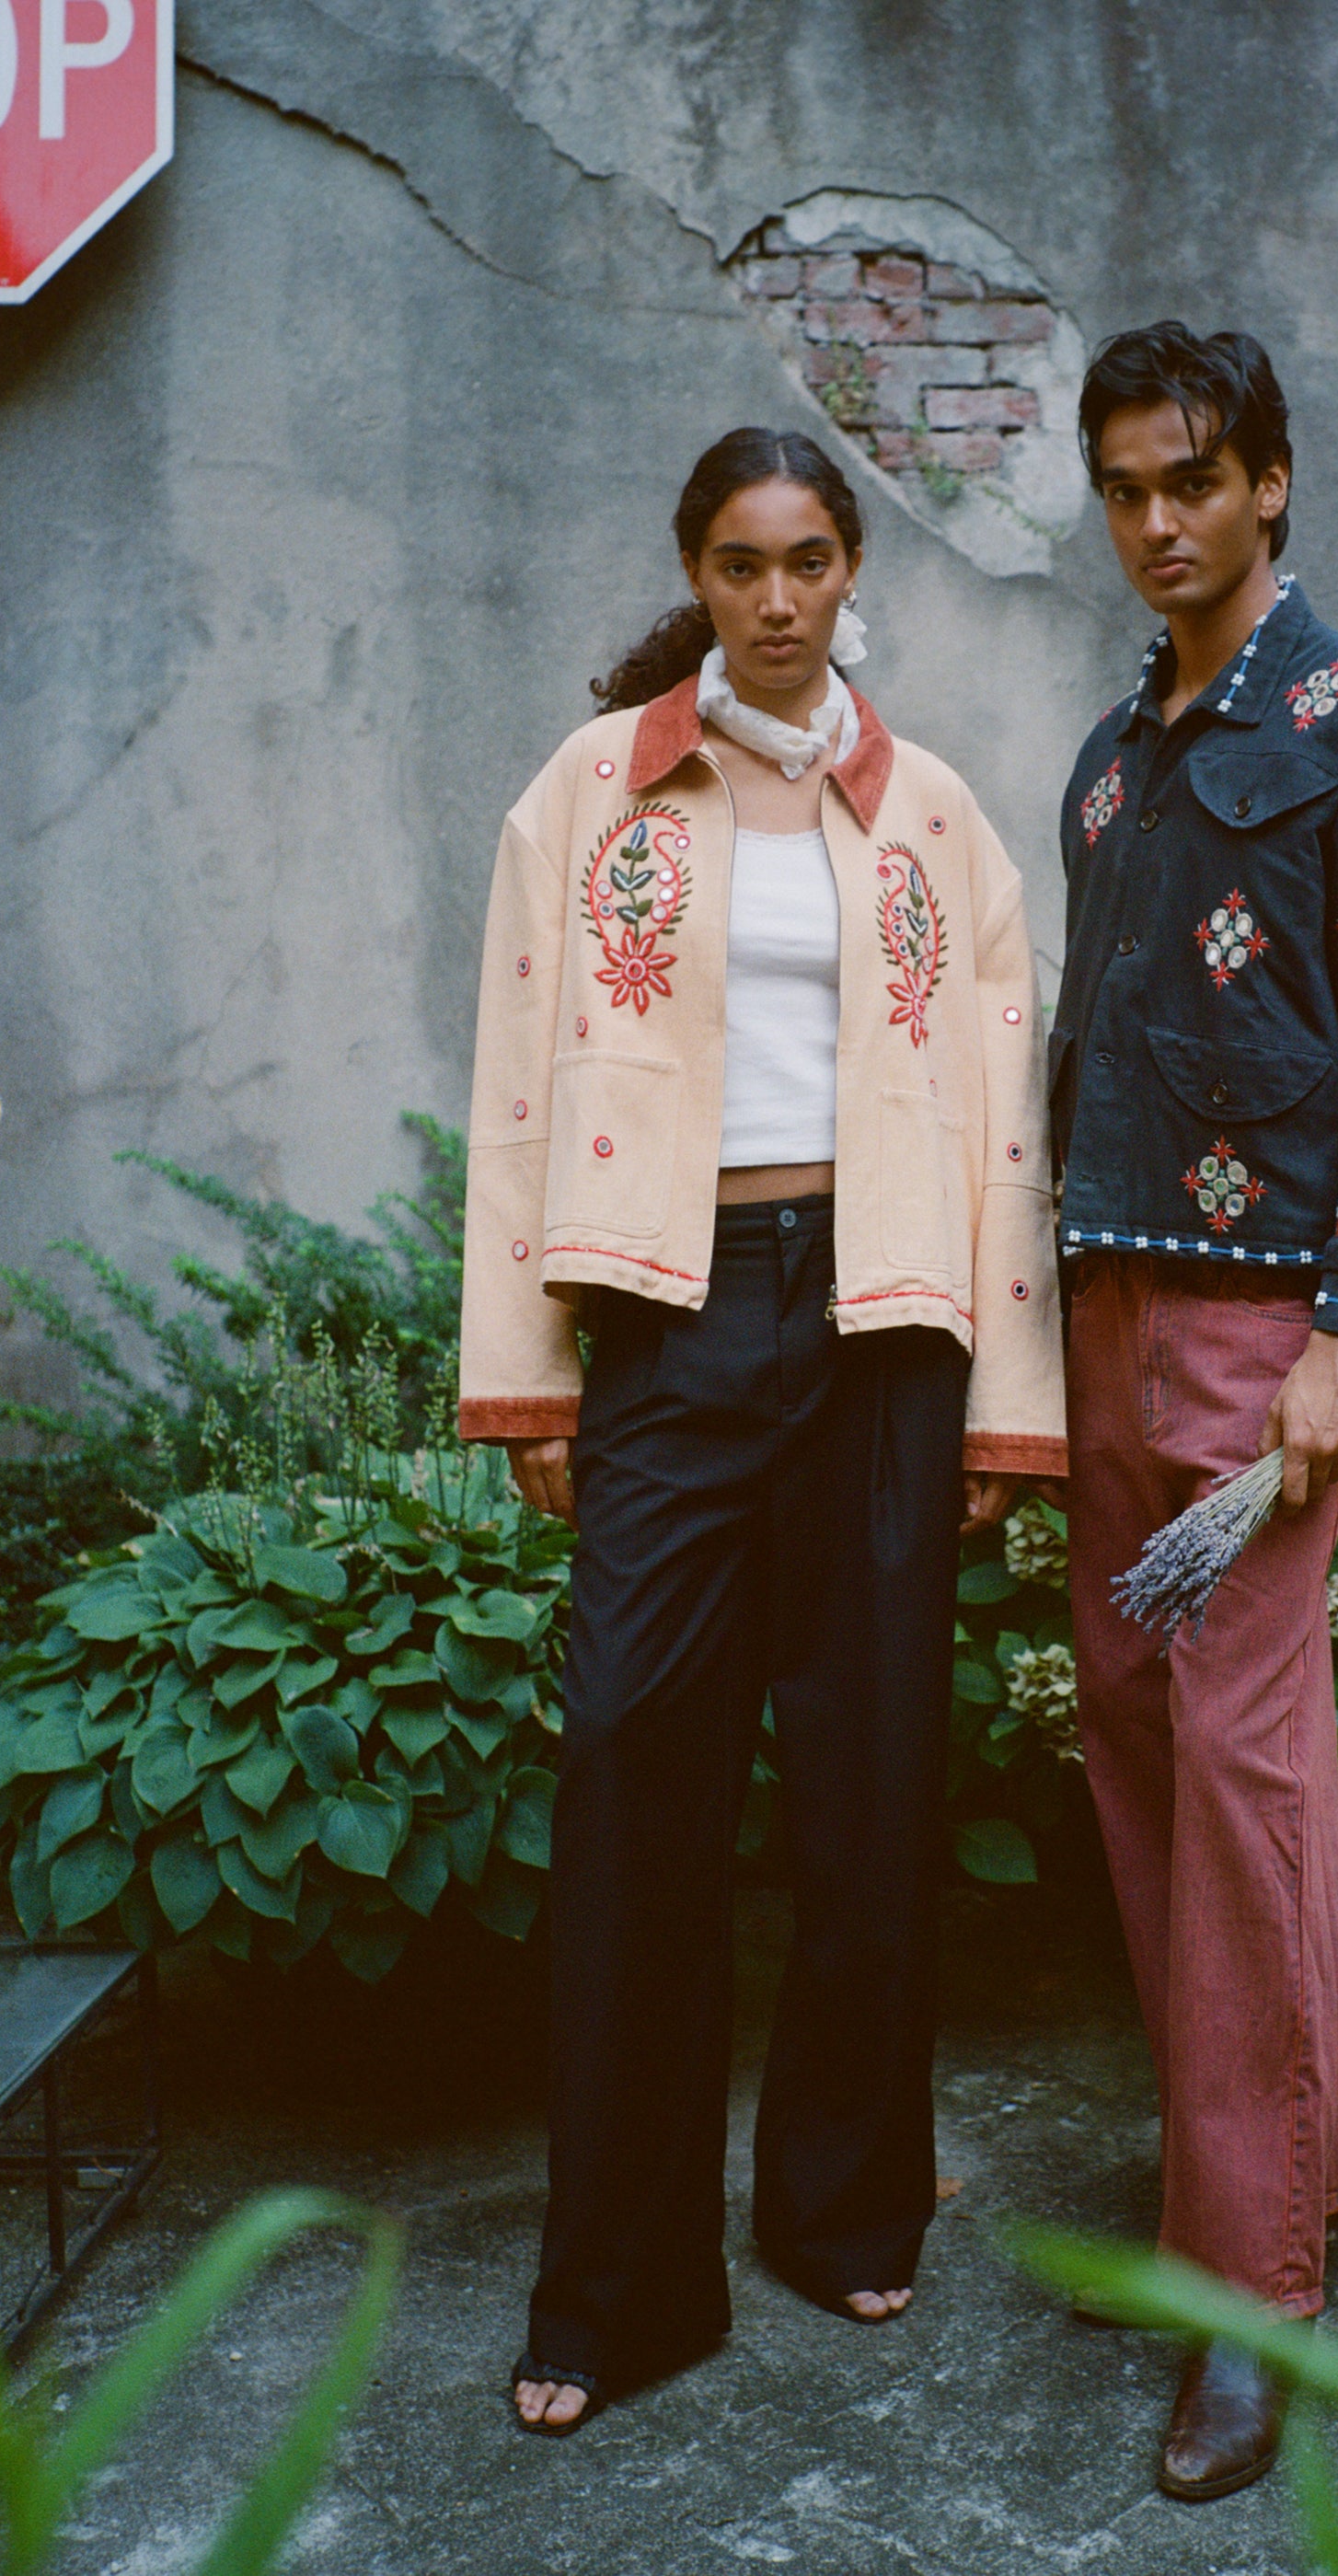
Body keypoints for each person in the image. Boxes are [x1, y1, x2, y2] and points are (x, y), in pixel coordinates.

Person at [456, 427, 1067, 2433]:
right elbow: (519, 1081)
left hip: (885, 1332)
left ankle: (842, 2201)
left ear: (854, 562)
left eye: (808, 558)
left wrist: (1010, 1391)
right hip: (669, 1320)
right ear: (697, 573)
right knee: (636, 1772)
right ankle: (621, 2281)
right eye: (740, 562)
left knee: (871, 1791)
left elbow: (1005, 1132)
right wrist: (532, 1361)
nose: (778, 597)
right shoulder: (595, 794)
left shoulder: (939, 820)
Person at [1052, 324, 1338, 2500]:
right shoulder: (1114, 754)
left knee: (1242, 1779)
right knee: (1140, 1754)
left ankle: (1247, 2301)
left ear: (1273, 484)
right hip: (1108, 1304)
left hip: (1258, 1338)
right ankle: (1242, 2197)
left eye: (1195, 482)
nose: (1159, 521)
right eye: (1128, 486)